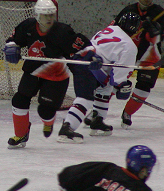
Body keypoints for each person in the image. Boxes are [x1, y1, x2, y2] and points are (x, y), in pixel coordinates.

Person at [3, 0, 100, 149]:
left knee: (45, 110)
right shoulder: (27, 26)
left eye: (51, 15)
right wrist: (11, 47)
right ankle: (21, 134)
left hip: (57, 75)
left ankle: (48, 122)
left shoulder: (63, 31)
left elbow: (84, 47)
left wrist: (93, 57)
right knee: (19, 100)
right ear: (37, 15)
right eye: (45, 15)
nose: (49, 18)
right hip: (33, 70)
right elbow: (13, 40)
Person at [58, 12, 140, 142]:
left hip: (81, 59)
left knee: (105, 87)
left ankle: (97, 121)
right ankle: (67, 129)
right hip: (92, 67)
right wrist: (124, 86)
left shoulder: (109, 29)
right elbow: (117, 79)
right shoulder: (130, 46)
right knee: (86, 98)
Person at [113, 0, 164, 129]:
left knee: (144, 88)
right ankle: (96, 112)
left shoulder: (160, 13)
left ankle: (127, 113)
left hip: (149, 57)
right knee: (112, 82)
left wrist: (153, 30)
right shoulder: (128, 10)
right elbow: (114, 31)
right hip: (127, 55)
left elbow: (161, 37)